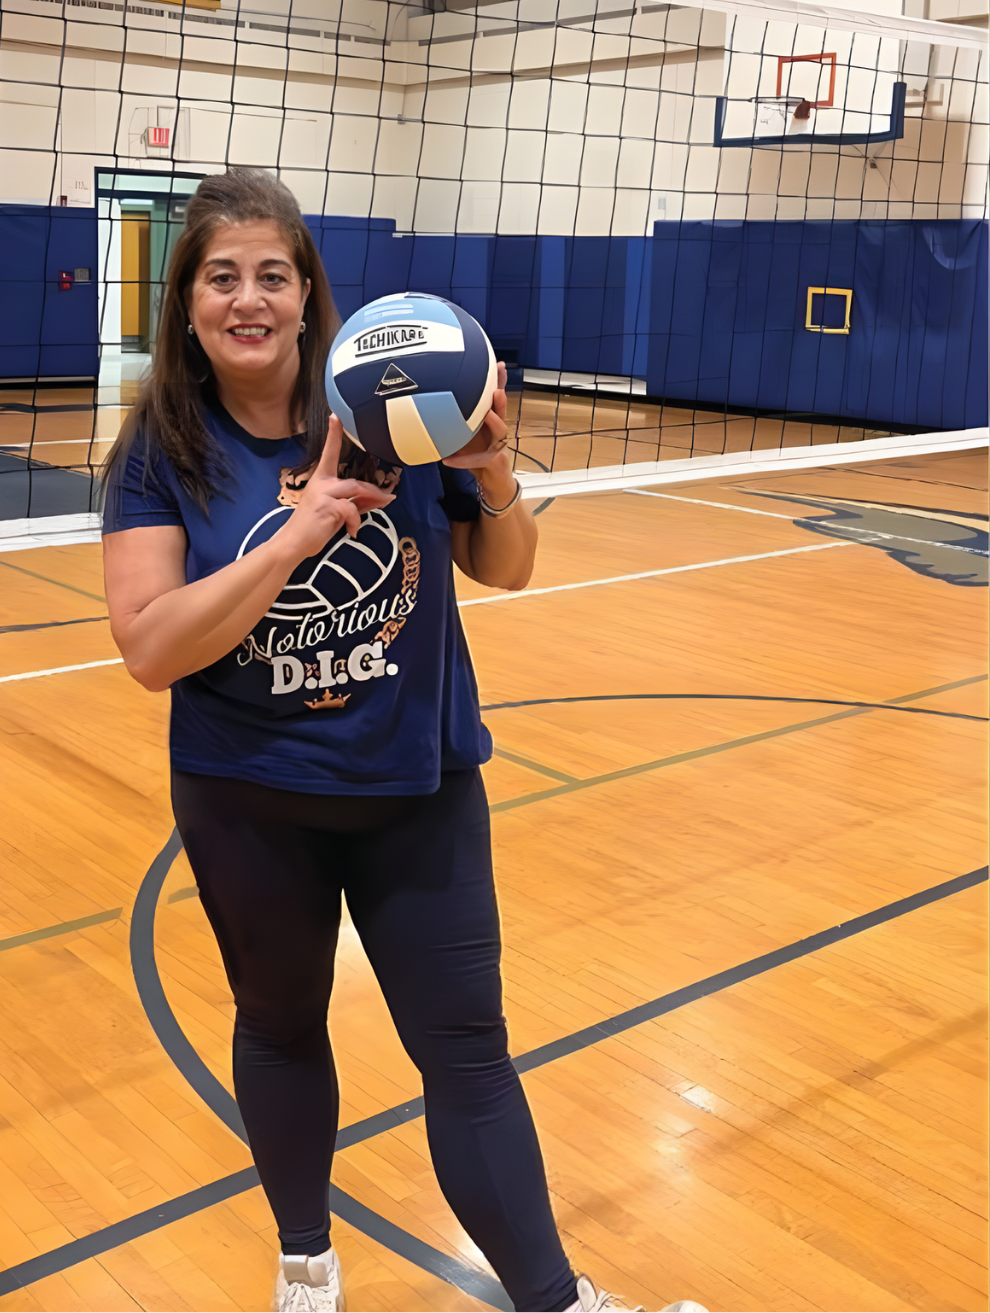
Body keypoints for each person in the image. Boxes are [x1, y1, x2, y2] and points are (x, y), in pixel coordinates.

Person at [101, 167, 706, 1313]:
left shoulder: (395, 401)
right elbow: (148, 649)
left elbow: (505, 566)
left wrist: (490, 474)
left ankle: (552, 1298)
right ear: (184, 302)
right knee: (279, 1026)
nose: (247, 299)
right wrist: (287, 538)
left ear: (305, 290)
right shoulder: (158, 449)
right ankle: (305, 1264)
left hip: (415, 784)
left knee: (467, 1048)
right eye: (221, 277)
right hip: (248, 798)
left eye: (270, 275)